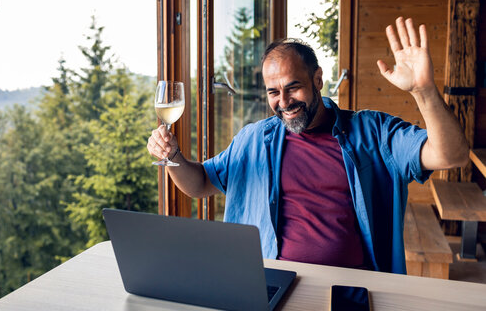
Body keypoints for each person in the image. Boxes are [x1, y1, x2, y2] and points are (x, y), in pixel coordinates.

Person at [146, 17, 469, 274]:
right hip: (267, 282)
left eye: (293, 87)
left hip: (349, 288)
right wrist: (173, 156)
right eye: (273, 91)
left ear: (317, 79)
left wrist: (424, 91)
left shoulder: (373, 132)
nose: (283, 102)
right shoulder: (254, 139)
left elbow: (451, 154)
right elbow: (200, 182)